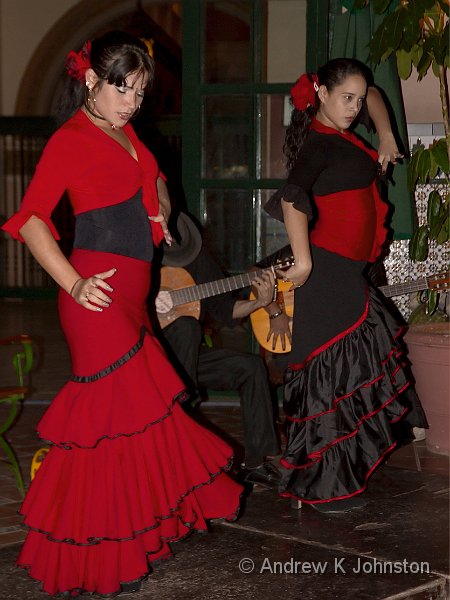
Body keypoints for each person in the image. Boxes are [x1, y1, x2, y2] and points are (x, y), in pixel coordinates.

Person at [1, 31, 242, 597]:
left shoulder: (127, 133)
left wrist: (157, 200)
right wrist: (75, 281)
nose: (131, 100)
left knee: (130, 421)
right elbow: (32, 219)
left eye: (138, 90)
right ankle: (101, 551)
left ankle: (128, 532)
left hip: (133, 296)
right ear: (90, 80)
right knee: (108, 420)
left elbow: (154, 195)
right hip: (96, 297)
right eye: (121, 88)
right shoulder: (70, 139)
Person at [265, 58, 428, 513]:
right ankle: (323, 485)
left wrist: (388, 135)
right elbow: (292, 198)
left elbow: (375, 93)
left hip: (345, 274)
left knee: (348, 377)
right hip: (328, 276)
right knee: (333, 381)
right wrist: (301, 260)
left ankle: (336, 476)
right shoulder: (319, 144)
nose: (356, 106)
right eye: (346, 98)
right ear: (320, 94)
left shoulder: (342, 132)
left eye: (357, 99)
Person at [153, 212, 282, 490]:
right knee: (187, 326)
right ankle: (181, 425)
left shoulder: (196, 259)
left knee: (251, 367)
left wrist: (259, 301)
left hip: (184, 362)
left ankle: (256, 463)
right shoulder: (140, 258)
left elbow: (225, 309)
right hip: (147, 359)